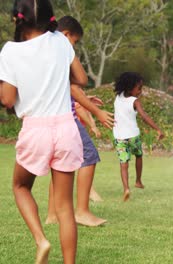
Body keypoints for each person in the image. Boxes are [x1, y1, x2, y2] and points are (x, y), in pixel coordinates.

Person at [0, 1, 87, 263]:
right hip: (66, 128)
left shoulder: (11, 51)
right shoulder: (61, 41)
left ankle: (41, 240)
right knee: (64, 208)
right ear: (51, 17)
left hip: (36, 130)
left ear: (18, 20)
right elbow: (82, 79)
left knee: (20, 186)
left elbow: (7, 99)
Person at [45, 15, 108, 227]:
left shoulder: (45, 53)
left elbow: (62, 89)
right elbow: (75, 86)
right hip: (66, 121)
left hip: (47, 121)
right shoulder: (63, 51)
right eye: (75, 41)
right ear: (65, 35)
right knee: (89, 156)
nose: (75, 45)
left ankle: (52, 214)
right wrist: (97, 113)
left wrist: (85, 98)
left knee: (59, 166)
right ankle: (82, 211)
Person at [113, 72, 164, 201]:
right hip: (133, 136)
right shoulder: (135, 101)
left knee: (123, 163)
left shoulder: (118, 97)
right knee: (139, 155)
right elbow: (144, 116)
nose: (140, 91)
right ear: (130, 88)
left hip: (119, 136)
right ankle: (138, 181)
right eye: (139, 88)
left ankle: (126, 188)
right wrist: (158, 129)